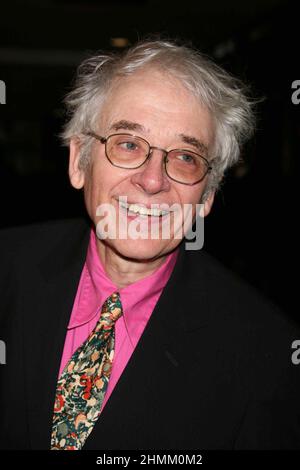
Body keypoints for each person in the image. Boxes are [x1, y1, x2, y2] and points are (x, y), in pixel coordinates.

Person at [0, 39, 299, 450]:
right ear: (78, 161)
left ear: (208, 195)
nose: (153, 179)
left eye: (185, 158)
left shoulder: (265, 354)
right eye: (128, 144)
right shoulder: (7, 269)